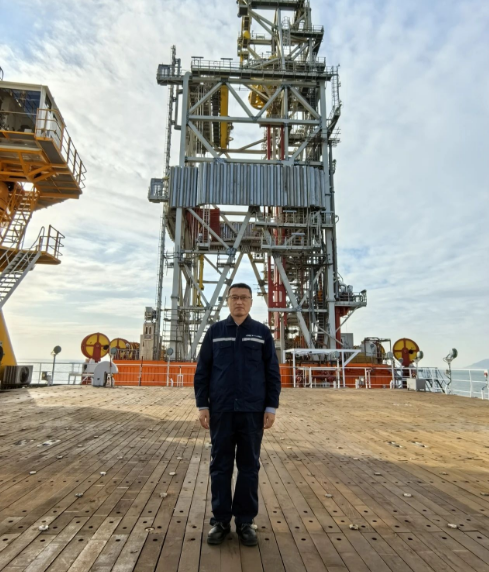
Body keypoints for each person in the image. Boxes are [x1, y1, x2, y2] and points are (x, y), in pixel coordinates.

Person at [194, 282, 281, 546]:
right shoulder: (215, 332)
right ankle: (220, 521)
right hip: (221, 410)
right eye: (234, 297)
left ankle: (245, 521)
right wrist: (202, 405)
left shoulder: (262, 333)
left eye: (244, 297)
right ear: (228, 301)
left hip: (252, 411)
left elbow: (272, 372)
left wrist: (271, 407)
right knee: (220, 466)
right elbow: (202, 371)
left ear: (251, 302)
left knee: (248, 467)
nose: (239, 302)